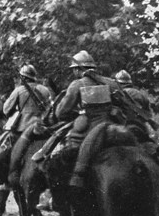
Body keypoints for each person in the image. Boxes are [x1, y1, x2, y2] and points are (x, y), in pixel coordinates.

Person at [55, 50, 132, 191]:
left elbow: (61, 112)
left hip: (87, 129)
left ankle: (66, 191)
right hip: (113, 125)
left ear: (78, 69)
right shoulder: (112, 83)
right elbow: (125, 107)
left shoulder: (76, 84)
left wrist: (76, 113)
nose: (73, 73)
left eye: (74, 70)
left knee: (60, 155)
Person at [0, 65, 52, 191]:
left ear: (23, 78)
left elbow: (6, 110)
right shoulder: (45, 89)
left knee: (3, 154)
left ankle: (8, 181)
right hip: (43, 129)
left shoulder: (19, 90)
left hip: (23, 129)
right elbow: (51, 107)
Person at [114, 70, 155, 143]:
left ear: (117, 83)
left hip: (122, 126)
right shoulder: (141, 94)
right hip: (140, 126)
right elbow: (148, 114)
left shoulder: (117, 94)